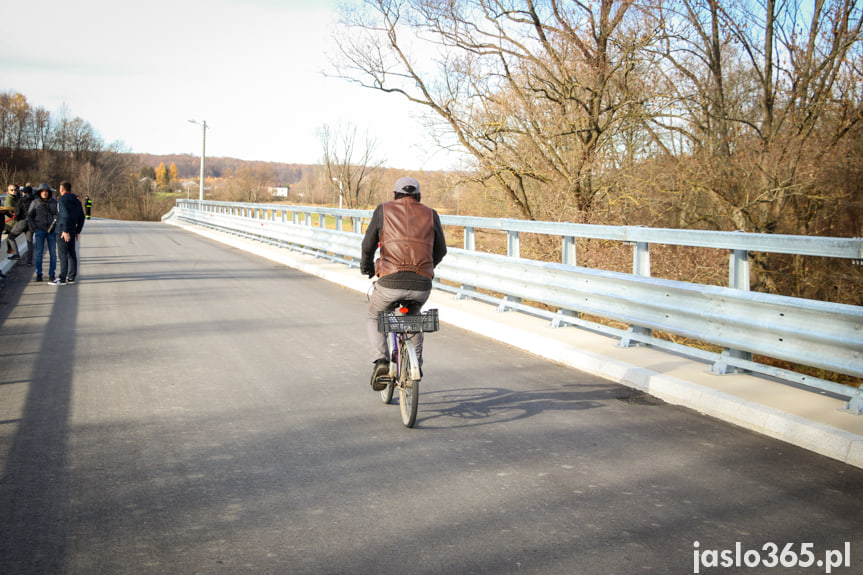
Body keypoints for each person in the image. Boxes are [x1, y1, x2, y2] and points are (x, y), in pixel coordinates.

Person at [360, 176, 447, 391]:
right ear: (418, 195)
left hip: (390, 280)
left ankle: (381, 362)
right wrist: (427, 267)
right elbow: (441, 250)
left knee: (374, 316)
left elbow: (368, 244)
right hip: (421, 284)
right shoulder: (430, 214)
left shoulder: (384, 210)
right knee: (413, 318)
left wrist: (367, 267)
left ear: (395, 195)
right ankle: (413, 365)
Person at [54, 181, 86, 285]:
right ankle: (71, 277)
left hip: (63, 230)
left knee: (63, 254)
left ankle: (62, 278)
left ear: (61, 189)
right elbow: (82, 217)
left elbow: (65, 216)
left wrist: (65, 231)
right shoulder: (77, 201)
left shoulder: (62, 200)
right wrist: (77, 231)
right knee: (71, 253)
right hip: (73, 229)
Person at [27, 183, 58, 283]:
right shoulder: (35, 203)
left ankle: (52, 274)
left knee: (53, 253)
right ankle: (39, 274)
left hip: (51, 230)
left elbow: (58, 215)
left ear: (49, 192)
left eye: (46, 191)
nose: (44, 193)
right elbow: (29, 216)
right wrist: (34, 228)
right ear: (39, 193)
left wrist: (55, 226)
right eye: (42, 191)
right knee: (39, 253)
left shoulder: (54, 203)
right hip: (39, 230)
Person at [6, 184, 34, 265]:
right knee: (29, 242)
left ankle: (16, 253)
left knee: (11, 237)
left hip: (22, 221)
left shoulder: (21, 201)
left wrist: (17, 219)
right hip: (31, 223)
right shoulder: (35, 201)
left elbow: (17, 213)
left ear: (24, 192)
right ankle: (29, 262)